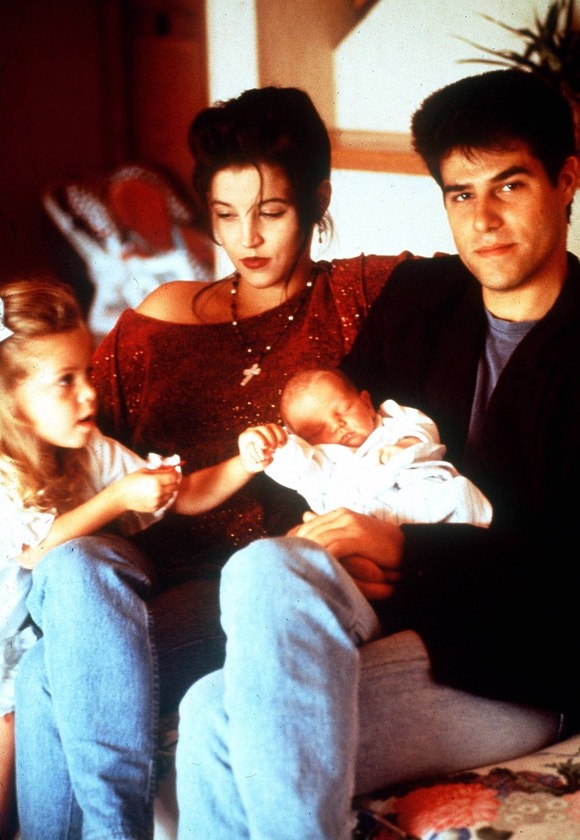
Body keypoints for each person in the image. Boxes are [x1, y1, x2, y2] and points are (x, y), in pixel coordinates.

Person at [175, 69, 580, 840]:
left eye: (510, 185)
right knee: (262, 567)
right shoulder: (420, 299)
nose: (484, 219)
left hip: (518, 660)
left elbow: (568, 572)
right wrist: (336, 538)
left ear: (565, 181)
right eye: (461, 194)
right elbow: (327, 442)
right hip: (389, 607)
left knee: (213, 721)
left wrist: (402, 546)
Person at [14, 87, 410, 838]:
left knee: (45, 673)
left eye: (271, 212)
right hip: (134, 582)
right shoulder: (156, 317)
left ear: (318, 201)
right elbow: (72, 443)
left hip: (254, 594)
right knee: (70, 577)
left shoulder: (363, 293)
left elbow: (494, 290)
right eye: (225, 215)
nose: (246, 238)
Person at [0, 276, 274, 839]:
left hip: (43, 640)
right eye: (65, 382)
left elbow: (183, 494)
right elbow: (38, 550)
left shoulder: (91, 450)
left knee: (41, 676)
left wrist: (245, 461)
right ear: (11, 402)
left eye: (87, 373)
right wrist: (120, 497)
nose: (90, 394)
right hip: (5, 644)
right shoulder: (3, 469)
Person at [239, 367, 492, 526]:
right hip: (364, 526)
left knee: (457, 495)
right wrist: (273, 446)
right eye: (316, 431)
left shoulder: (393, 421)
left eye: (343, 410)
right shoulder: (323, 458)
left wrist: (406, 444)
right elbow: (298, 469)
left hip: (423, 501)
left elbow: (423, 428)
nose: (336, 426)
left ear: (367, 403)